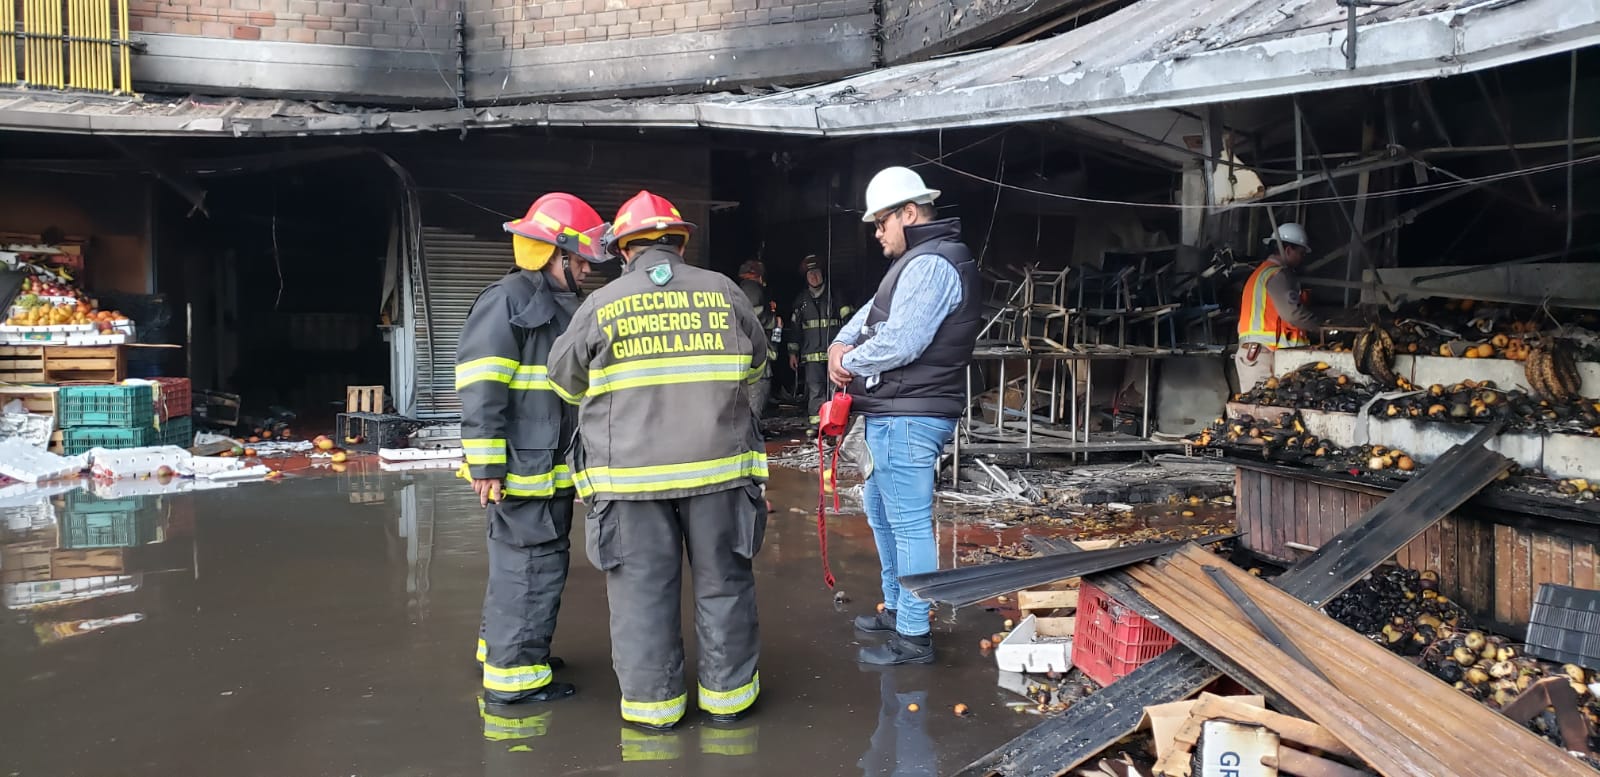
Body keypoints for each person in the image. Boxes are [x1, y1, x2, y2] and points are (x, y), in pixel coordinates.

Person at [547, 190, 770, 731]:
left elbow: (563, 378)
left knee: (641, 595)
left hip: (629, 483)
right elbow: (758, 364)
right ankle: (729, 702)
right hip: (719, 474)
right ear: (680, 243)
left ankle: (655, 711)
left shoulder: (601, 305)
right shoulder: (724, 293)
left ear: (624, 250)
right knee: (724, 585)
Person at [458, 192, 608, 705]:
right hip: (523, 468)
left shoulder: (548, 301)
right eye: (581, 257)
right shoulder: (508, 300)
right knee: (532, 566)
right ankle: (516, 677)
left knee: (520, 563)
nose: (588, 267)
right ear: (553, 253)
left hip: (544, 465)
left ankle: (504, 648)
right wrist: (485, 463)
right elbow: (481, 385)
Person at [828, 166, 980, 666]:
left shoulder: (933, 264)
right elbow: (871, 314)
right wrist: (840, 343)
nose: (877, 234)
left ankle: (913, 636)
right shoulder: (915, 262)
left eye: (881, 224)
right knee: (881, 511)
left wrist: (847, 363)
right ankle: (897, 608)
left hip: (910, 415)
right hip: (893, 412)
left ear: (909, 214)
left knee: (910, 523)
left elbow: (901, 340)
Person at [1235, 222, 1319, 391]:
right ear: (1288, 250)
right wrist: (1320, 326)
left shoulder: (1262, 273)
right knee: (1261, 410)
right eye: (1301, 253)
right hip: (1263, 357)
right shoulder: (1277, 275)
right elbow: (1293, 314)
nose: (1302, 259)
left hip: (1258, 355)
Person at [787, 255, 853, 433]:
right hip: (811, 355)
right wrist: (792, 353)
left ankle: (837, 424)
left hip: (835, 354)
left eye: (816, 273)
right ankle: (818, 425)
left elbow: (850, 323)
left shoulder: (836, 295)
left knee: (836, 389)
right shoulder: (801, 301)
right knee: (815, 390)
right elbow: (795, 330)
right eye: (810, 274)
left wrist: (849, 347)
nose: (814, 277)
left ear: (822, 273)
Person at [735, 259, 778, 424]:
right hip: (756, 350)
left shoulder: (739, 290)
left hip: (745, 349)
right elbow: (755, 318)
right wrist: (774, 321)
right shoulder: (753, 289)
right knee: (758, 390)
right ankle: (752, 431)